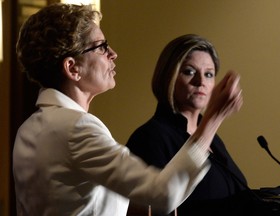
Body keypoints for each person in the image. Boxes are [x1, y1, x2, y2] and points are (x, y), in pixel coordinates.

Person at [12, 3, 243, 216]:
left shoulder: (28, 129)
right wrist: (212, 119)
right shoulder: (77, 128)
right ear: (73, 68)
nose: (113, 54)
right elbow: (165, 194)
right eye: (101, 47)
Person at [126, 34, 247, 215]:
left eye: (209, 74)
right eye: (189, 71)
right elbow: (156, 206)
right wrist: (215, 118)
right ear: (168, 77)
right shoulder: (149, 137)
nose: (201, 82)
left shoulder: (215, 141)